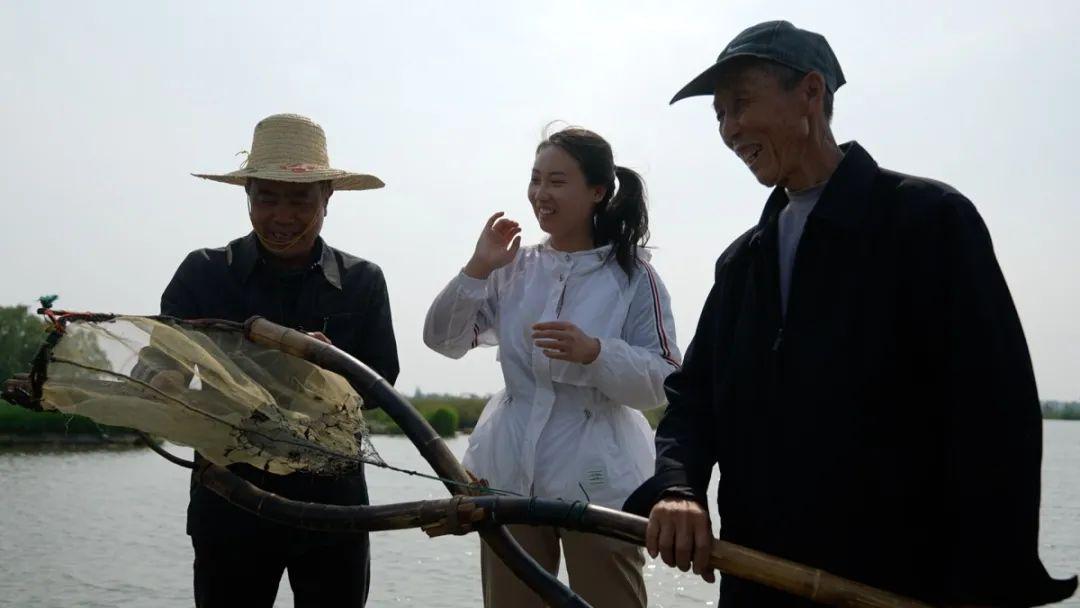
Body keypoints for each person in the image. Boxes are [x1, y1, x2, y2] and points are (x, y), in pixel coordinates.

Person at [625, 20, 1077, 607]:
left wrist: (984, 585)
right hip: (761, 580)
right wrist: (679, 489)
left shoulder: (928, 223)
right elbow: (694, 401)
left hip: (895, 584)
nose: (730, 129)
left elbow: (994, 419)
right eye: (719, 115)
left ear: (811, 93)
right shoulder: (743, 263)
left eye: (741, 104)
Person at [424, 127, 680, 607]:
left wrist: (597, 353)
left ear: (598, 191)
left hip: (599, 481)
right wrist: (477, 268)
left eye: (557, 181)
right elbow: (442, 341)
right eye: (535, 179)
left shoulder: (633, 276)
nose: (541, 194)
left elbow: (666, 381)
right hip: (509, 474)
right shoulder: (512, 267)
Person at [162, 113, 399, 607]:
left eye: (300, 199)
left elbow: (381, 385)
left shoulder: (362, 281)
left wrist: (323, 369)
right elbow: (166, 366)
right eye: (267, 197)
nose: (283, 215)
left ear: (327, 200)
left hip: (333, 507)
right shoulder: (204, 274)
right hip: (228, 500)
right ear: (247, 196)